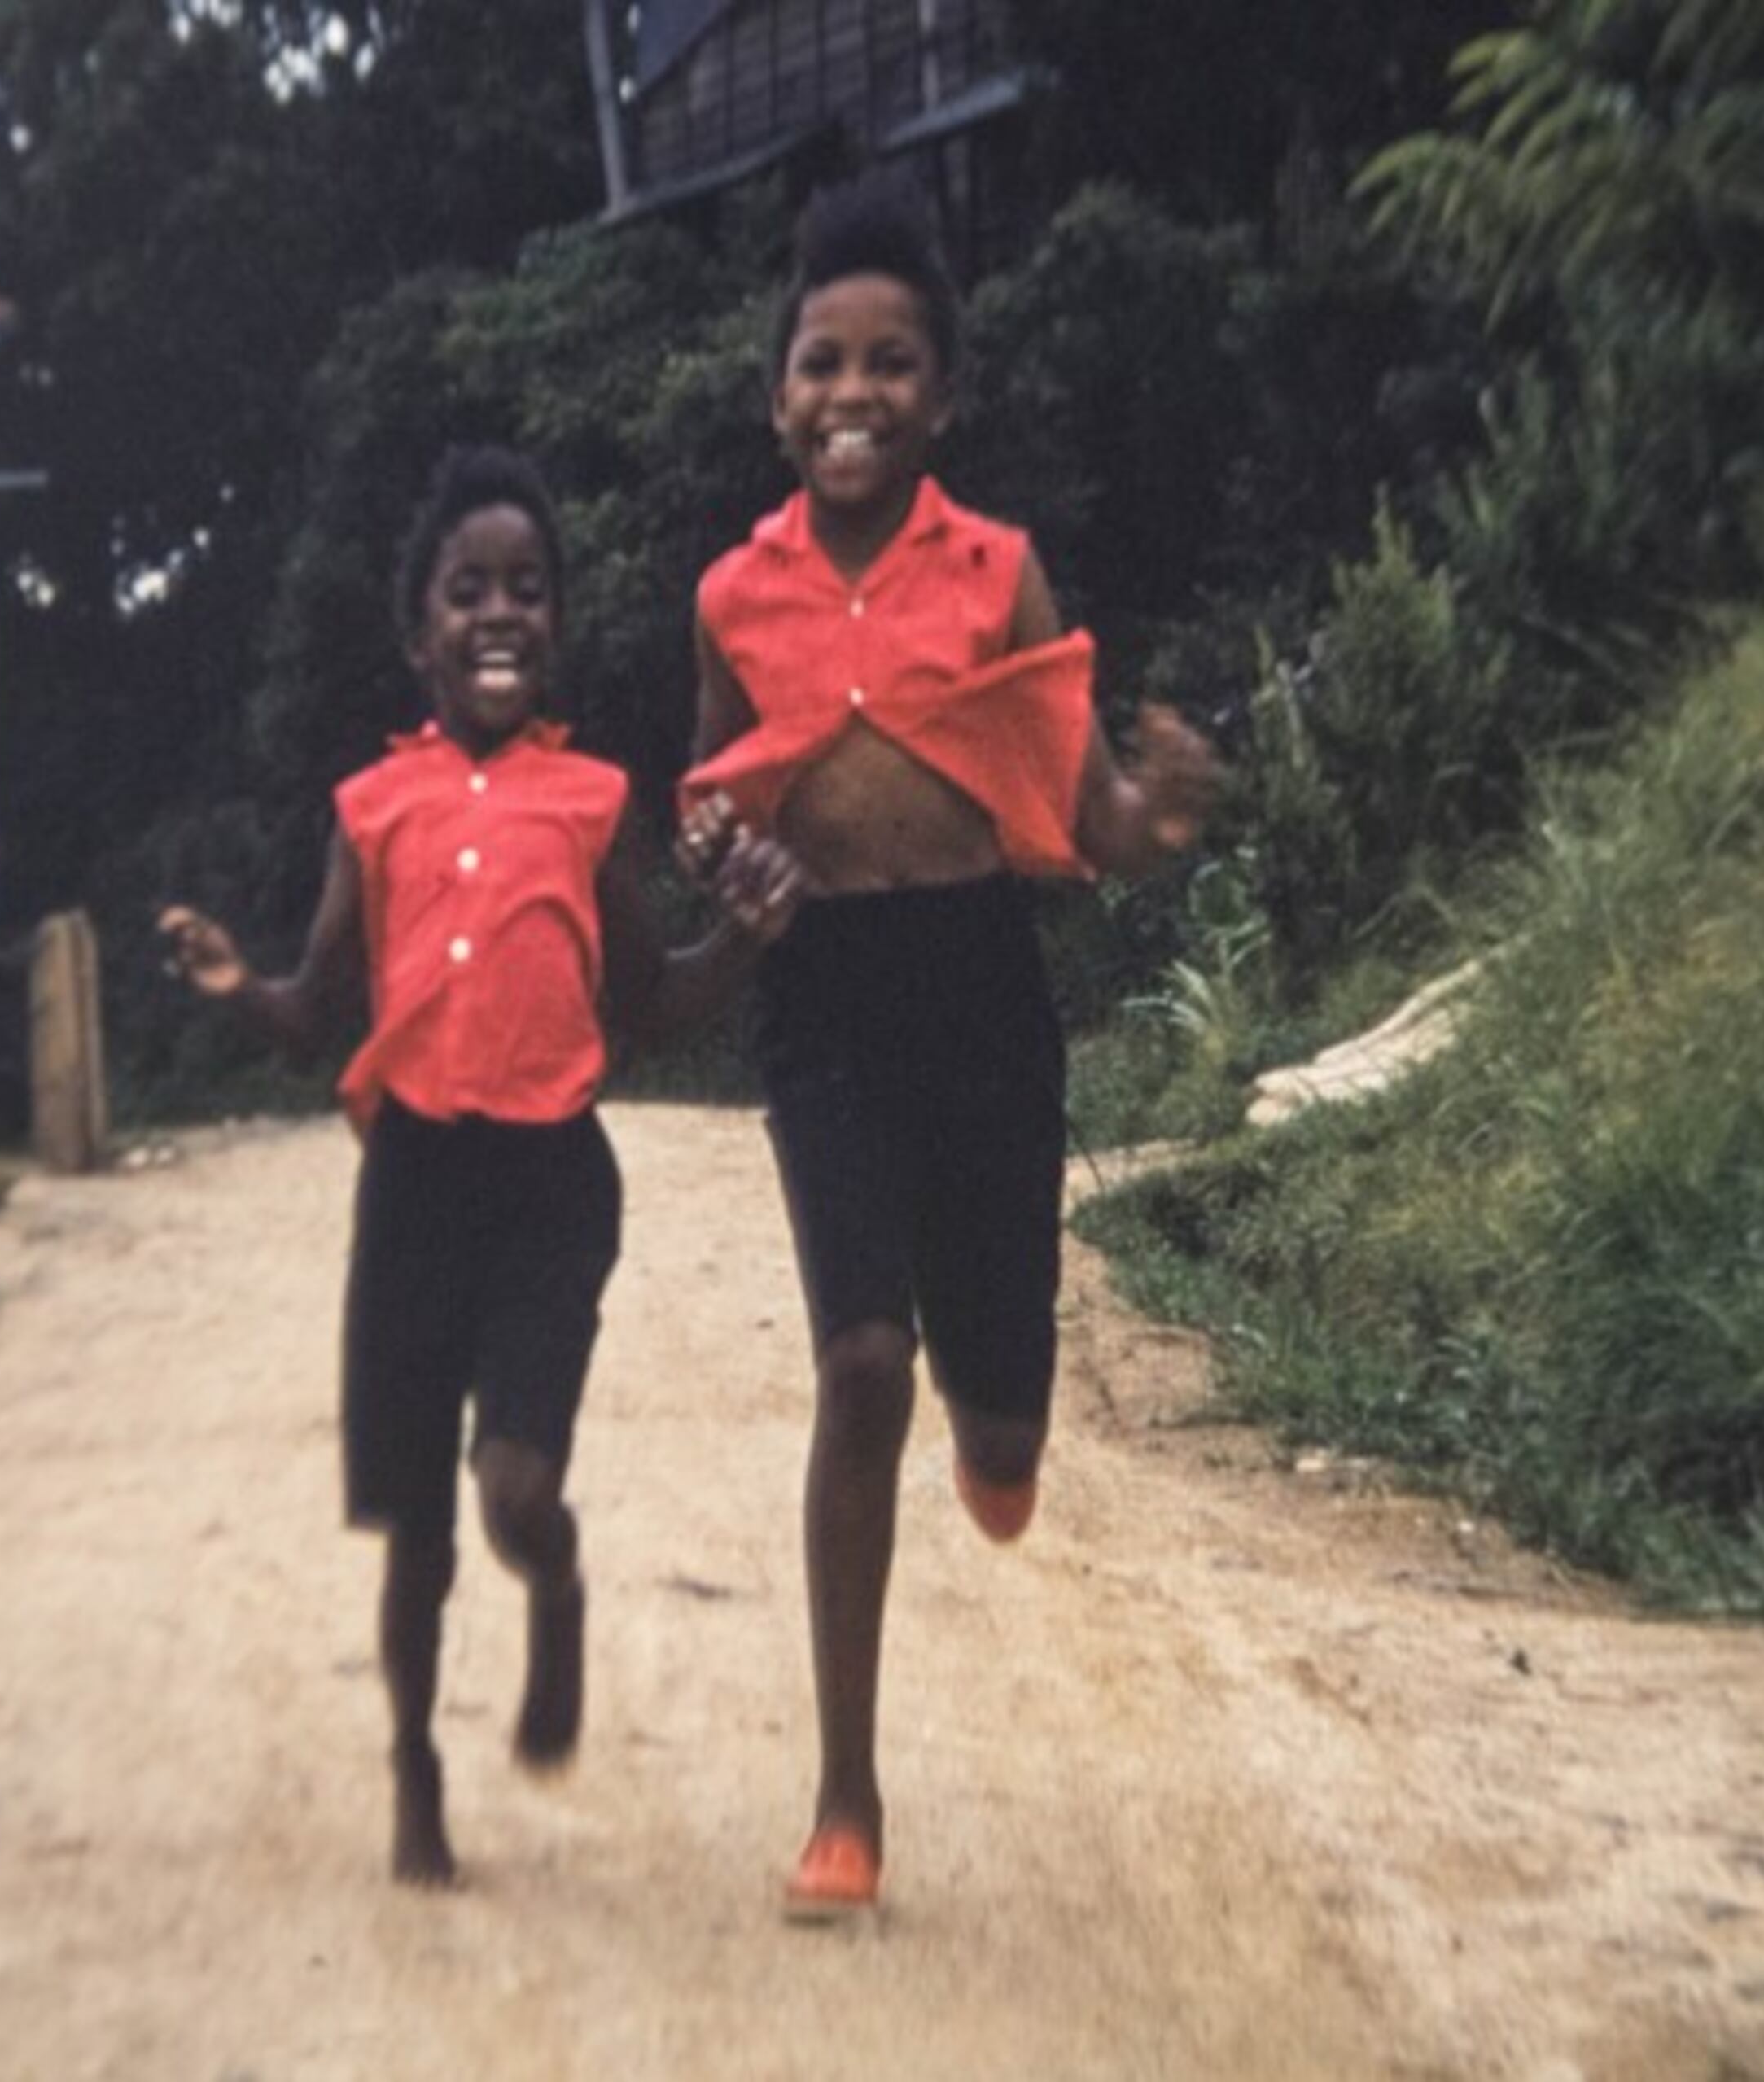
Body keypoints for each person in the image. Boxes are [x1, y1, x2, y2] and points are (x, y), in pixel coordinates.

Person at [680, 174, 1221, 1922]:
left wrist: (1158, 816)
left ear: (945, 395)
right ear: (778, 395)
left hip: (982, 989)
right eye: (822, 362)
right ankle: (845, 1796)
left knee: (996, 1404)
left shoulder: (998, 574)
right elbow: (710, 798)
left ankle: (1004, 1431)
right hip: (822, 999)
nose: (854, 391)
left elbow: (1091, 809)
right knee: (861, 1366)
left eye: (891, 362)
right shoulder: (731, 595)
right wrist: (724, 861)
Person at [162, 446, 803, 1889]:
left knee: (511, 1491)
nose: (498, 612)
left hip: (550, 1190)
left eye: (525, 588)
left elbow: (650, 1000)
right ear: (421, 633)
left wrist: (747, 935)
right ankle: (414, 1771)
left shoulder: (590, 801)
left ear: (554, 620)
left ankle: (555, 1581)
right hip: (413, 1188)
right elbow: (323, 1012)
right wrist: (238, 987)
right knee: (415, 1527)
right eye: (468, 590)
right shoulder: (371, 808)